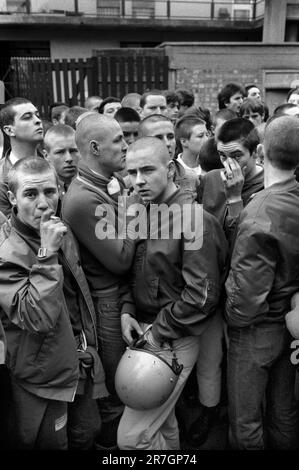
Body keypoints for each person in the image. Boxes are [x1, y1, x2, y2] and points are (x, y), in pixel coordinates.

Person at [117, 137, 228, 450]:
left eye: (148, 170)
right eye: (132, 172)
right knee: (162, 425)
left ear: (168, 170)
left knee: (131, 439)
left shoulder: (194, 219)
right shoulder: (145, 212)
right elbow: (136, 271)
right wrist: (127, 309)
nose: (138, 180)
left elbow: (202, 296)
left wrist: (158, 333)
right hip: (147, 330)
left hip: (172, 338)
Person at [0, 157, 106, 449]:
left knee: (87, 432)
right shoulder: (7, 251)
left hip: (77, 357)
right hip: (40, 375)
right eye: (31, 194)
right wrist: (46, 255)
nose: (43, 203)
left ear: (61, 190)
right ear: (12, 198)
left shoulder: (62, 231)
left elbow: (76, 293)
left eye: (50, 192)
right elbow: (36, 318)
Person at [62, 113, 136, 449]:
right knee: (115, 401)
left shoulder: (103, 182)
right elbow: (121, 260)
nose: (126, 147)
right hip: (106, 307)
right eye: (119, 140)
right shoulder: (82, 199)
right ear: (94, 148)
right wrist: (134, 212)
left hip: (118, 300)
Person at [225, 115, 299, 449]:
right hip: (290, 321)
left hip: (258, 329)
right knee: (284, 411)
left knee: (246, 421)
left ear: (260, 153)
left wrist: (233, 321)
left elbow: (246, 298)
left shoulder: (259, 213)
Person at [190, 118, 264, 447]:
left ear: (257, 152)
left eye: (237, 156)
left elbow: (245, 250)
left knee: (245, 377)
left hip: (249, 301)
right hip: (214, 289)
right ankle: (211, 411)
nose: (229, 166)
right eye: (222, 157)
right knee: (211, 360)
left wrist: (235, 199)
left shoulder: (268, 186)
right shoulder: (212, 179)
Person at [138, 114, 200, 200]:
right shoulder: (132, 182)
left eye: (170, 137)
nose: (167, 143)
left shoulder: (191, 179)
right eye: (159, 138)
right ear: (142, 143)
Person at [0, 97, 44, 216]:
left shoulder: (52, 161)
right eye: (27, 117)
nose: (38, 121)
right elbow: (6, 230)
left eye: (37, 115)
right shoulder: (2, 178)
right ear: (9, 130)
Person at [43, 124, 80, 195]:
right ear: (46, 156)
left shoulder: (94, 185)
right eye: (60, 152)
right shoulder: (41, 190)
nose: (69, 158)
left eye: (73, 151)